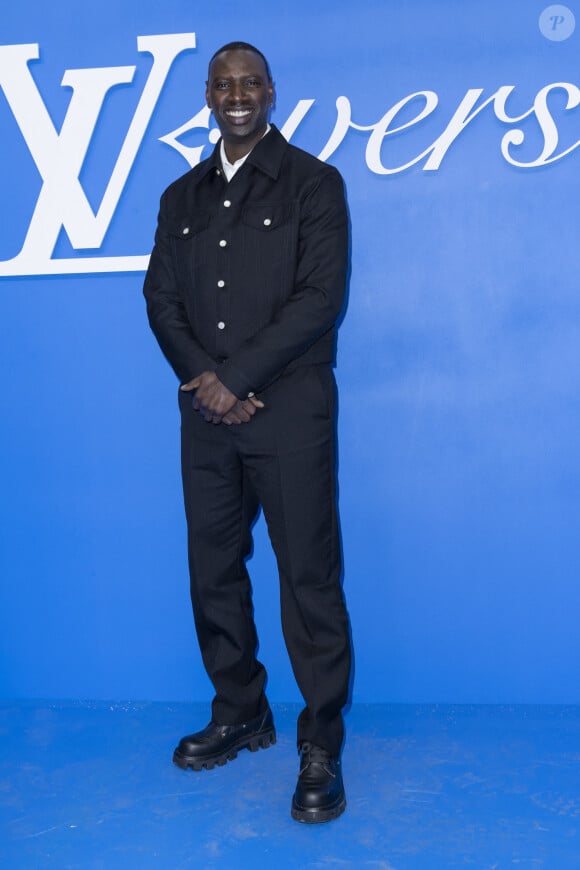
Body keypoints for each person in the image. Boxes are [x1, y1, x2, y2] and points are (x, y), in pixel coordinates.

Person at [143, 41, 351, 824]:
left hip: (290, 415)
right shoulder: (180, 197)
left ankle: (321, 741)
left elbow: (318, 299)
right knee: (213, 570)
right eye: (224, 85)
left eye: (250, 83)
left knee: (308, 579)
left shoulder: (314, 185)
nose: (238, 95)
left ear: (270, 92)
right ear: (207, 96)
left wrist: (239, 378)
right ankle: (240, 710)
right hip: (207, 418)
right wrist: (208, 379)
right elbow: (161, 299)